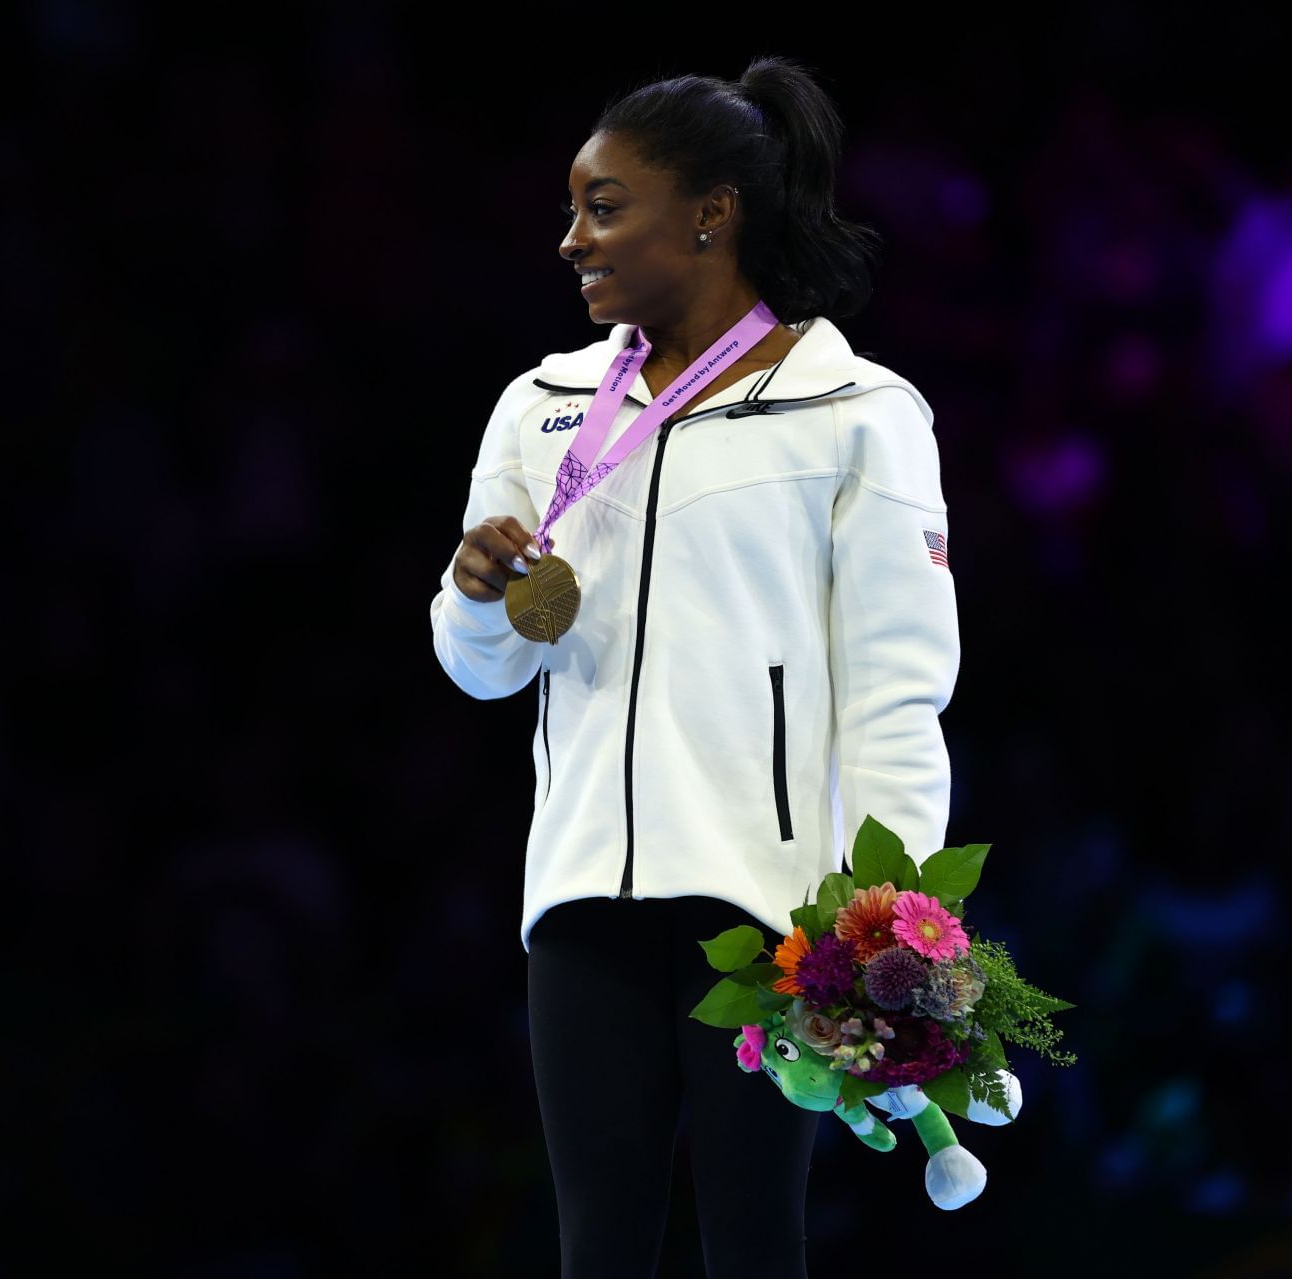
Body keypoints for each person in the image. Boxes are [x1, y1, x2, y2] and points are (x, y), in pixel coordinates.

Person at [428, 56, 962, 1278]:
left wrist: (893, 925)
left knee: (754, 1244)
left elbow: (896, 688)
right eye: (573, 209)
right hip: (582, 898)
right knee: (596, 1246)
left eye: (605, 207)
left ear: (712, 212)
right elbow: (483, 674)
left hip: (769, 912)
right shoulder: (543, 405)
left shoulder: (854, 411)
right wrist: (474, 595)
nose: (571, 240)